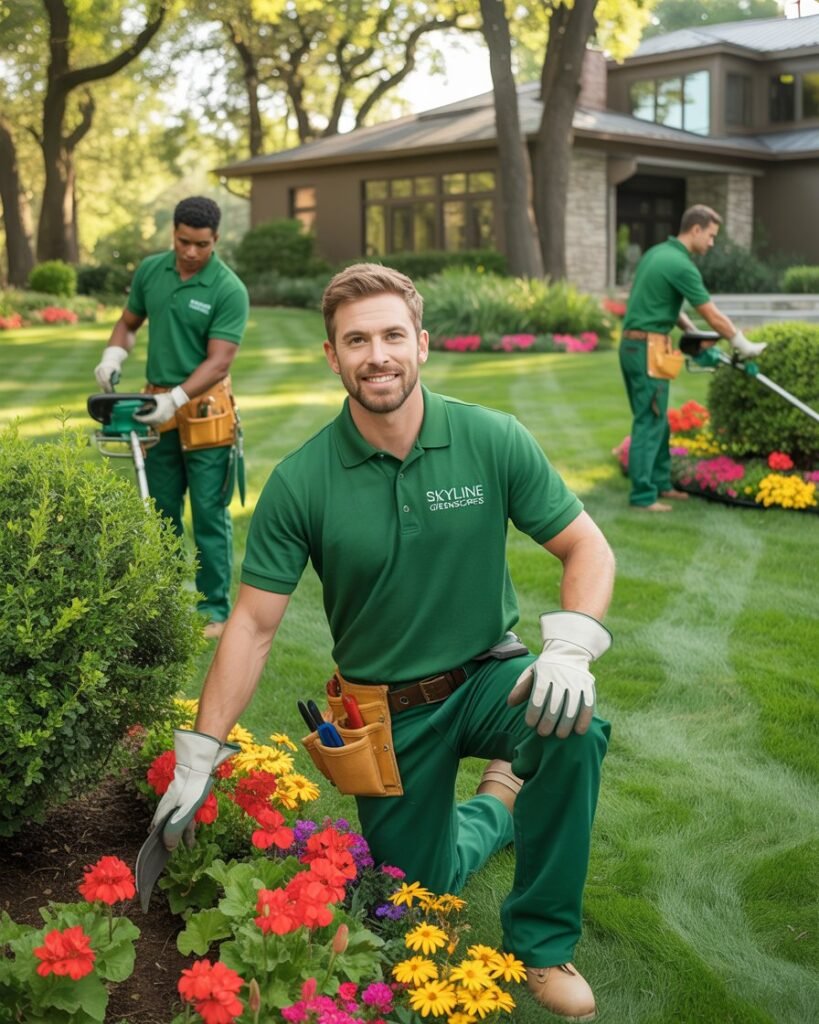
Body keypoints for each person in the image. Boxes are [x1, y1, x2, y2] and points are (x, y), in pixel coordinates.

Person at [151, 264, 616, 1020]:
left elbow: (586, 548)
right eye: (356, 340)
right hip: (385, 713)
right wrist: (201, 752)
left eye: (392, 335)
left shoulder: (490, 438)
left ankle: (541, 944)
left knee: (574, 728)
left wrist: (569, 648)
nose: (378, 355)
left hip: (491, 675)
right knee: (414, 899)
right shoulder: (302, 481)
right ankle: (498, 801)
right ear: (332, 357)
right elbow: (252, 625)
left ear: (422, 344)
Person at [94, 196, 249, 637]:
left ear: (215, 239)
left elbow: (220, 361)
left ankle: (213, 611)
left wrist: (177, 397)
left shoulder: (228, 289)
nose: (191, 252)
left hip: (205, 412)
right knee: (158, 511)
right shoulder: (151, 271)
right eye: (184, 242)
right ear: (174, 234)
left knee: (207, 514)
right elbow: (128, 322)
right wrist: (113, 353)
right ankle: (159, 599)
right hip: (155, 409)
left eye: (201, 244)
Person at [620, 204, 765, 512]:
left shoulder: (658, 254)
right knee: (649, 420)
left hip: (636, 346)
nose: (712, 243)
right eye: (711, 236)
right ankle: (643, 496)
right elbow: (711, 314)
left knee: (657, 420)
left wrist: (690, 332)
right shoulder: (681, 265)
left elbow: (662, 304)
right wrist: (742, 343)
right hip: (648, 349)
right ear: (695, 229)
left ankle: (660, 483)